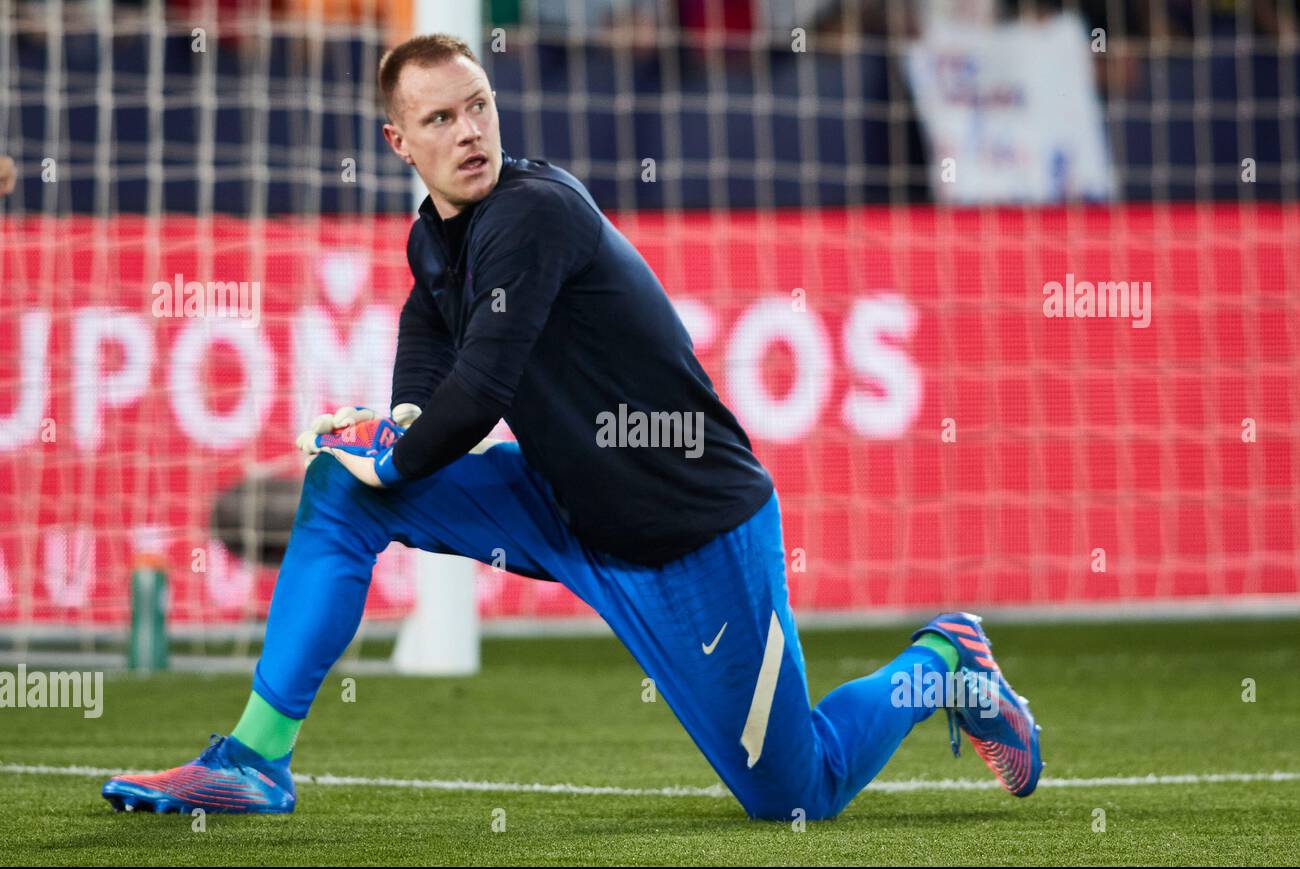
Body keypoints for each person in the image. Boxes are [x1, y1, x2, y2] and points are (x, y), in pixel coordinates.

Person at [102, 34, 1041, 820]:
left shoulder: (533, 214)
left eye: (478, 106)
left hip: (688, 532)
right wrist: (381, 439)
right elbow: (423, 401)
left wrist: (394, 449)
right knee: (342, 492)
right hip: (560, 498)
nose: (469, 131)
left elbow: (474, 398)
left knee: (798, 797)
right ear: (398, 142)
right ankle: (255, 760)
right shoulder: (434, 245)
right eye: (440, 119)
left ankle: (943, 661)